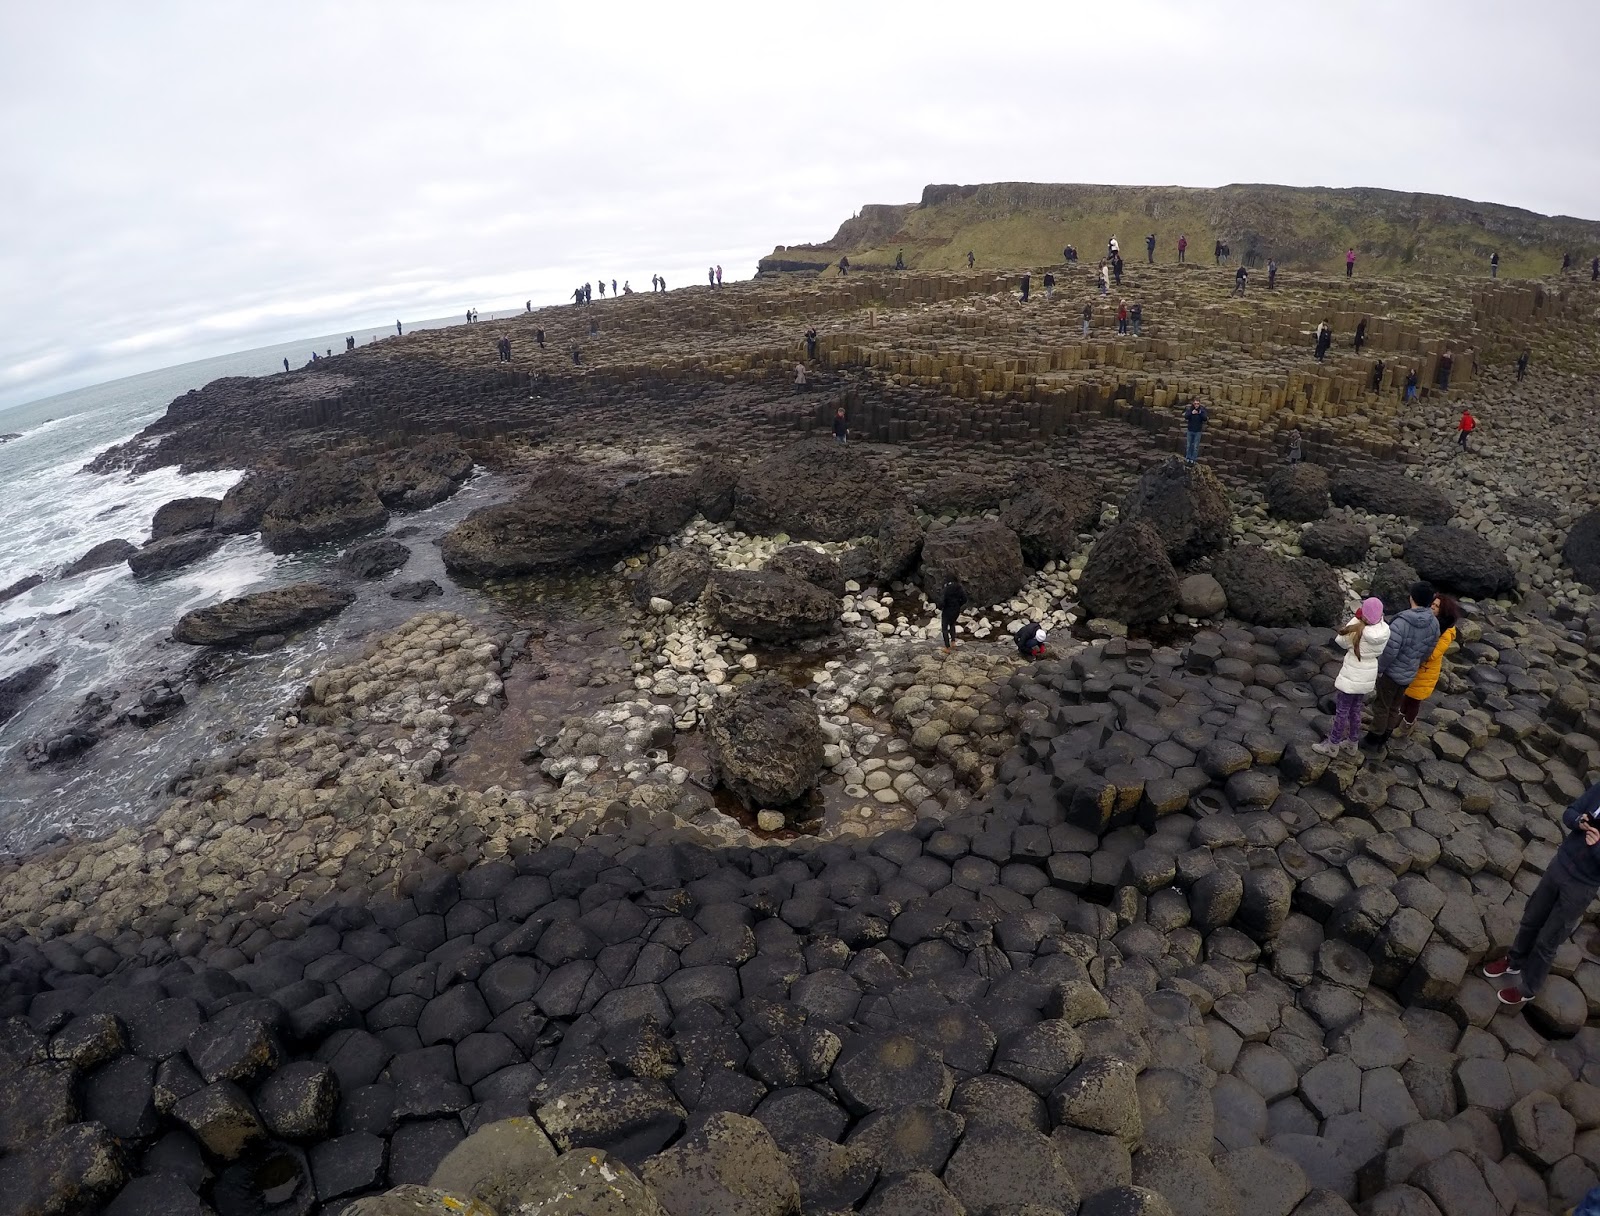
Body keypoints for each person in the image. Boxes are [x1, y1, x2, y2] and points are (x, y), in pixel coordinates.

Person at [1484, 780, 1600, 1009]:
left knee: (1548, 940)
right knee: (1531, 918)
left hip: (1582, 886)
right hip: (1559, 866)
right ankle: (1514, 960)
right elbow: (1570, 812)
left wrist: (1596, 846)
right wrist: (1579, 822)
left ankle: (1529, 988)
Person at [1362, 581, 1440, 748]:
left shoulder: (1401, 622)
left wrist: (1379, 669)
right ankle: (1386, 735)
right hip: (1409, 673)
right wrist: (1415, 663)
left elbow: (1389, 652)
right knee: (1395, 705)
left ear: (1412, 598)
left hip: (1392, 673)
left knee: (1382, 705)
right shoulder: (1433, 623)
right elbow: (1429, 650)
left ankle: (1374, 738)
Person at [1313, 597, 1389, 757]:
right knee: (1356, 709)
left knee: (1342, 711)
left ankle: (1332, 745)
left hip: (1352, 674)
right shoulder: (1384, 630)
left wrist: (1356, 618)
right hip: (1367, 674)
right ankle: (1352, 742)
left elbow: (1340, 641)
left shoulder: (1357, 630)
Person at [1395, 595, 1458, 736]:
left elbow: (1433, 654)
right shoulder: (1429, 622)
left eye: (1437, 606)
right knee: (1406, 696)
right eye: (1433, 604)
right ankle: (1399, 718)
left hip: (1425, 672)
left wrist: (1415, 649)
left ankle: (1406, 727)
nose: (1433, 607)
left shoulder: (1446, 632)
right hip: (1416, 667)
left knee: (1414, 701)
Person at [938, 578, 967, 652]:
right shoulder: (959, 587)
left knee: (944, 628)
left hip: (947, 610)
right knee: (952, 624)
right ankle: (953, 642)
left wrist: (940, 607)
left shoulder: (946, 589)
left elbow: (942, 601)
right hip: (956, 609)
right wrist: (958, 605)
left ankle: (947, 647)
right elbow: (964, 599)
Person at [1182, 398, 1208, 464]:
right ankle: (1188, 458)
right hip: (1190, 430)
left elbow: (1205, 418)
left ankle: (1193, 460)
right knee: (1189, 446)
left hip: (1198, 431)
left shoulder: (1202, 410)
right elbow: (1186, 416)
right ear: (1193, 404)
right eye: (1195, 403)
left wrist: (1200, 413)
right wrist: (1191, 413)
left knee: (1195, 447)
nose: (1196, 405)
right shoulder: (1190, 409)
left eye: (1198, 404)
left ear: (1199, 404)